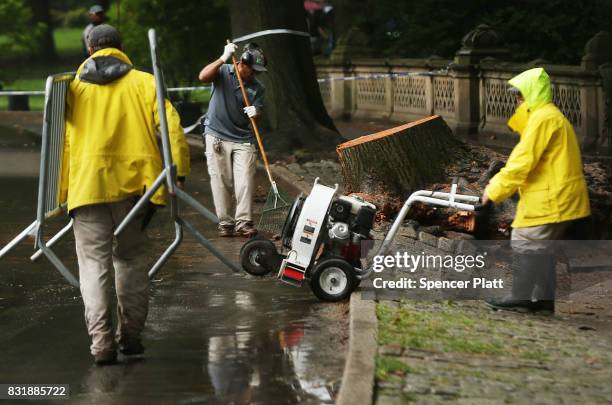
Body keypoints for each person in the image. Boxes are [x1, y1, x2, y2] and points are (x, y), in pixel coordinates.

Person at [60, 24, 190, 365]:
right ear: (121, 48)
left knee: (93, 267)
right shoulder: (145, 82)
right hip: (135, 191)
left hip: (87, 188)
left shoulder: (72, 89)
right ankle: (131, 337)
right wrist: (178, 172)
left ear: (90, 50)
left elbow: (63, 144)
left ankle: (102, 343)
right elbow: (171, 128)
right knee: (130, 260)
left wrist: (61, 193)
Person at [482, 67, 591, 314]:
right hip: (558, 195)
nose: (517, 101)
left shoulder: (543, 119)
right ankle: (543, 301)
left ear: (531, 94)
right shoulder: (548, 116)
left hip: (552, 197)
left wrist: (494, 189)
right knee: (543, 247)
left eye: (520, 96)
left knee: (526, 240)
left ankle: (520, 297)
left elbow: (523, 161)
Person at [197, 42, 267, 237]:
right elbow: (202, 76)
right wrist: (222, 57)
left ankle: (244, 222)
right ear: (242, 64)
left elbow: (258, 113)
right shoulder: (223, 72)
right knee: (221, 181)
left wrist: (256, 112)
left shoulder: (257, 87)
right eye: (253, 70)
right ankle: (226, 222)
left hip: (243, 138)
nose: (255, 75)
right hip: (217, 135)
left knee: (245, 180)